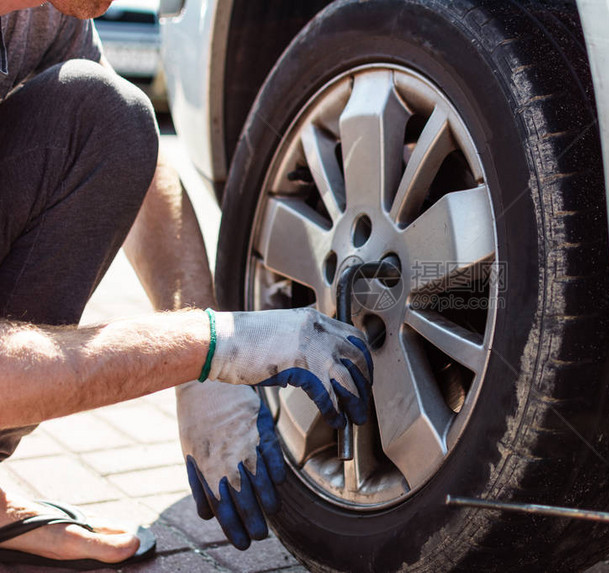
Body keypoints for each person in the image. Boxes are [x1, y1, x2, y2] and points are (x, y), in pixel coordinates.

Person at [0, 0, 373, 568]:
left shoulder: (51, 15)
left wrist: (208, 378)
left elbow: (140, 173)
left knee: (108, 114)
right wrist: (213, 346)